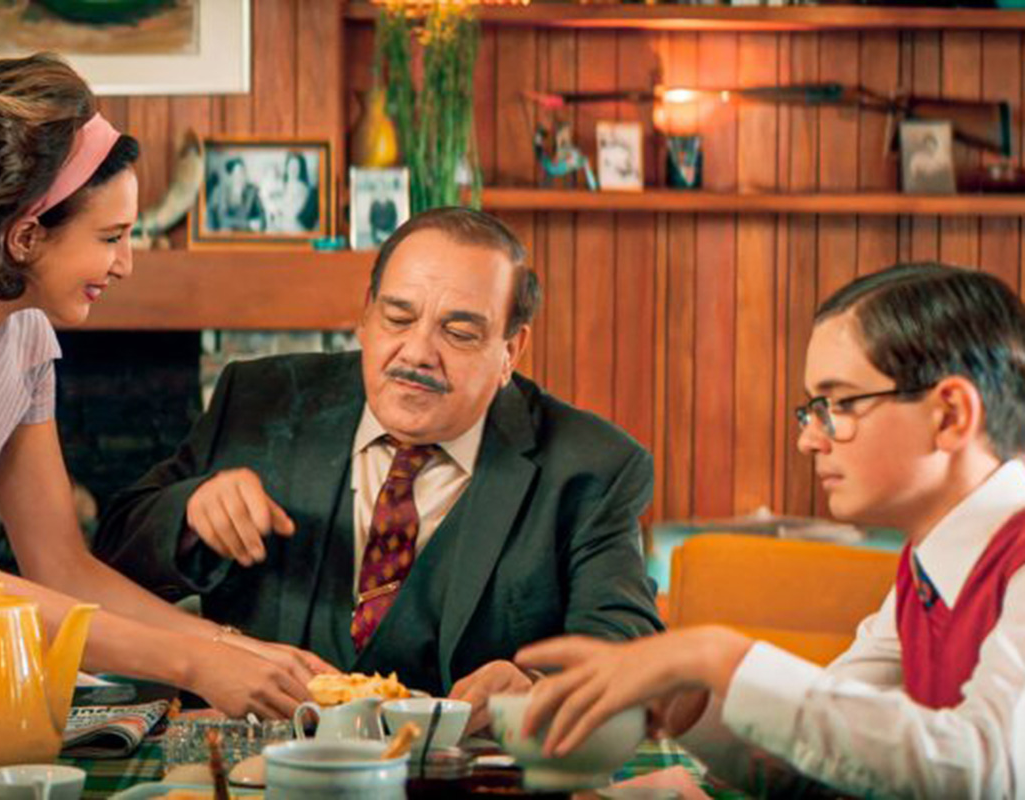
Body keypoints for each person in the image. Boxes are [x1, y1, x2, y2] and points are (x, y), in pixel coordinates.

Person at [0, 53, 328, 795]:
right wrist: (195, 666)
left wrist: (239, 649)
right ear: (25, 236)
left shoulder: (23, 335)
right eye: (111, 237)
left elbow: (60, 565)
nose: (126, 264)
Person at [93, 206, 662, 734]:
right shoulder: (260, 400)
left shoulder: (593, 467)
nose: (417, 352)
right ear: (365, 316)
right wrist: (190, 515)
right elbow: (107, 555)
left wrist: (536, 686)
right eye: (398, 317)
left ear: (511, 351)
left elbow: (628, 646)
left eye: (459, 333)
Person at [517, 263, 1025, 797]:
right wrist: (686, 703)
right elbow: (824, 757)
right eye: (813, 409)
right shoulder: (926, 570)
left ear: (950, 415)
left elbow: (992, 771)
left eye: (840, 404)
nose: (809, 440)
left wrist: (717, 656)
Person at [207, 157, 264, 232]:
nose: (241, 177)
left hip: (246, 234)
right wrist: (247, 223)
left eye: (243, 172)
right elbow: (223, 220)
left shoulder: (251, 191)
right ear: (230, 176)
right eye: (237, 173)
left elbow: (261, 217)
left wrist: (259, 225)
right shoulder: (219, 191)